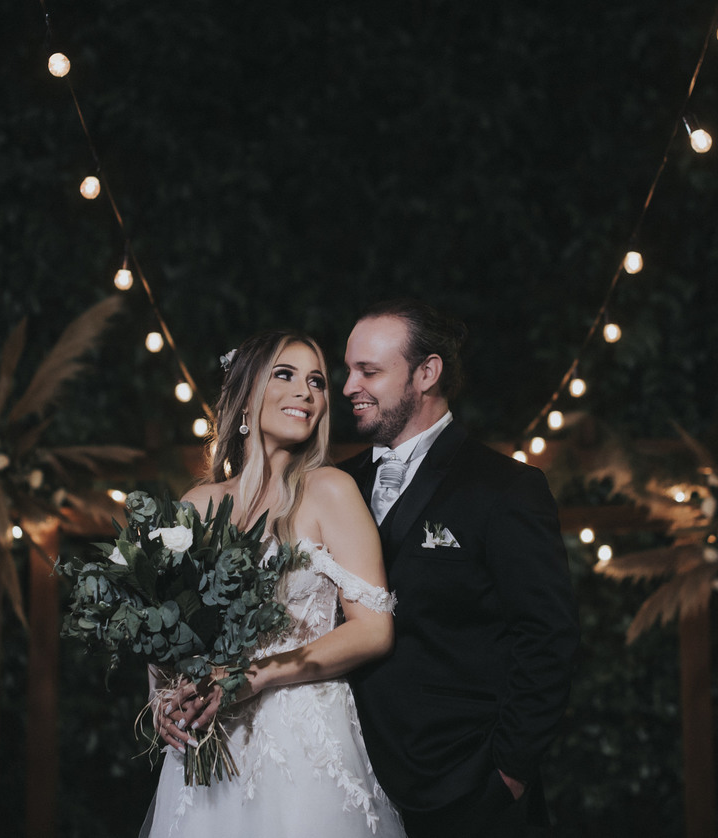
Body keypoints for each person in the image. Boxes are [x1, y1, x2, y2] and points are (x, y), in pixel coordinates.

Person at [141, 330, 406, 838]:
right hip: (208, 742)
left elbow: (374, 630)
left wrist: (251, 677)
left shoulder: (330, 491)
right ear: (246, 398)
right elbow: (164, 627)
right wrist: (164, 700)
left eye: (316, 382)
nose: (306, 392)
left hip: (303, 741)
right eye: (285, 375)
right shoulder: (197, 504)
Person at [340, 300, 579, 838]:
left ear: (427, 373)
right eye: (349, 368)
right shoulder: (335, 485)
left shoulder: (505, 489)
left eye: (369, 371)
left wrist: (508, 773)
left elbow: (548, 638)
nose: (348, 385)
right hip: (343, 775)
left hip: (463, 784)